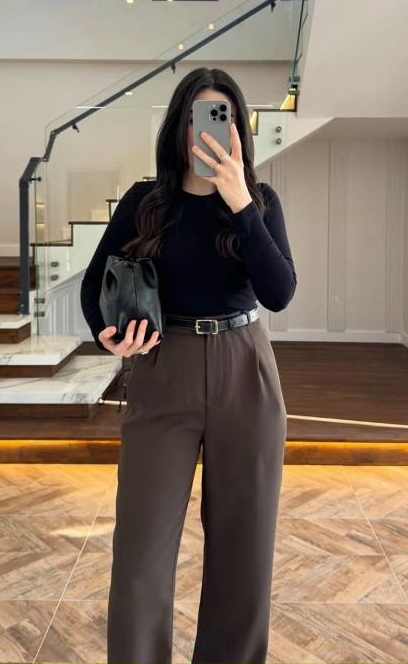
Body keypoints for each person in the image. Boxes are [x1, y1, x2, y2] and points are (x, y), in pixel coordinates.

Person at [80, 67, 296, 664]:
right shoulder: (144, 202)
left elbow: (279, 292)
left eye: (222, 119)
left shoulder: (260, 202)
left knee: (244, 548)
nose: (209, 132)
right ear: (180, 127)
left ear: (239, 133)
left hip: (245, 369)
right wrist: (108, 337)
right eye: (199, 117)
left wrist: (241, 203)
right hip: (162, 366)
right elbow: (95, 285)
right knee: (141, 551)